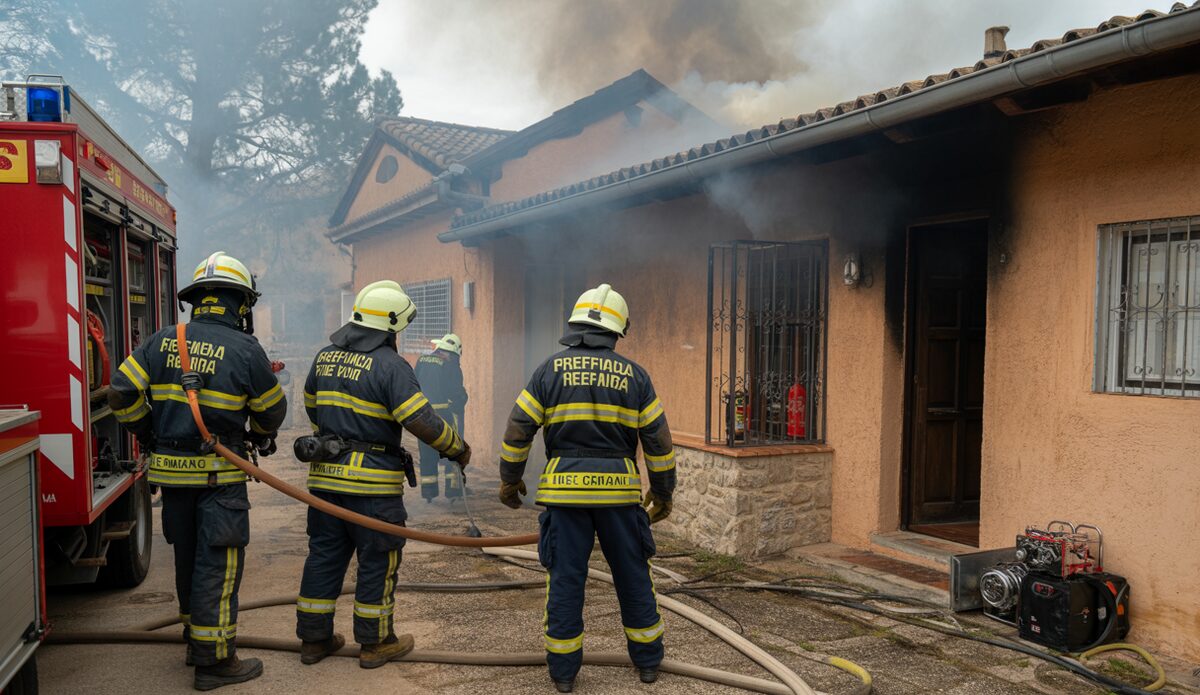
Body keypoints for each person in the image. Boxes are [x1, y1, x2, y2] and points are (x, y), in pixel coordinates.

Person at [109, 251, 286, 691]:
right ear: (240, 304)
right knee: (219, 563)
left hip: (171, 477)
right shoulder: (246, 349)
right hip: (218, 477)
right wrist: (260, 434)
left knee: (187, 557)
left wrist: (150, 432)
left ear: (198, 301)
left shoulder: (162, 339)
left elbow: (120, 392)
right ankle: (214, 660)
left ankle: (195, 635)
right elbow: (272, 411)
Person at [497, 283, 676, 693]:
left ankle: (563, 673)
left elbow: (517, 429)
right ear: (616, 330)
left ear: (575, 324)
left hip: (565, 498)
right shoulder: (635, 376)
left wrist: (510, 479)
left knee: (565, 581)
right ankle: (648, 662)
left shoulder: (548, 370)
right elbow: (659, 443)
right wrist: (663, 492)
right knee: (633, 577)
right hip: (618, 498)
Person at [295, 280, 471, 669]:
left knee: (324, 556)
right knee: (378, 560)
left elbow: (311, 405)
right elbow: (420, 420)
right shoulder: (392, 366)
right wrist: (457, 447)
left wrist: (337, 432)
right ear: (389, 326)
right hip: (372, 487)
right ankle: (376, 643)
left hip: (324, 482)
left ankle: (313, 640)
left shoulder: (324, 357)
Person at [414, 333, 468, 502]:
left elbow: (413, 384)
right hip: (445, 415)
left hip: (423, 415)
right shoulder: (451, 366)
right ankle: (453, 491)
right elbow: (456, 394)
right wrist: (462, 398)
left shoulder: (422, 361)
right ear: (454, 353)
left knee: (427, 452)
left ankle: (429, 492)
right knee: (454, 449)